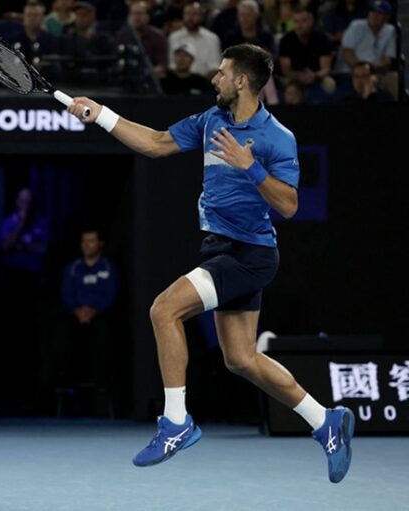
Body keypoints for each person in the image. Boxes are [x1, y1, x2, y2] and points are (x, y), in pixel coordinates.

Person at [66, 43, 355, 483]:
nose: (214, 79)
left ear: (242, 81)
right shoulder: (210, 120)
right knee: (241, 359)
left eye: (221, 73)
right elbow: (157, 143)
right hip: (220, 249)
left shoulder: (278, 137)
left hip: (250, 254)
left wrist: (251, 168)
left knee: (164, 309)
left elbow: (291, 205)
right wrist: (101, 114)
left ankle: (177, 422)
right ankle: (325, 420)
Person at [55, 228, 119, 399]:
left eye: (91, 241)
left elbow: (110, 294)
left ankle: (103, 385)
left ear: (100, 244)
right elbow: (67, 294)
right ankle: (66, 385)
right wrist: (78, 311)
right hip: (76, 315)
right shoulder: (73, 268)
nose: (86, 245)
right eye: (84, 241)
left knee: (106, 333)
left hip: (99, 315)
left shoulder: (108, 267)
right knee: (63, 333)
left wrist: (93, 310)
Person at [168, 1, 221, 79]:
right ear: (183, 16)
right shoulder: (174, 37)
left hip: (204, 83)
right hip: (178, 81)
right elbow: (171, 65)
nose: (190, 18)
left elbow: (214, 66)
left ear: (201, 17)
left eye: (194, 14)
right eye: (187, 14)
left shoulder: (212, 38)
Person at [114, 0, 168, 79]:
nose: (137, 17)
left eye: (140, 14)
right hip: (126, 78)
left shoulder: (158, 36)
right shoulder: (122, 35)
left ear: (148, 16)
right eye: (133, 13)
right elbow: (117, 61)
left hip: (150, 79)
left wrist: (146, 74)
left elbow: (162, 65)